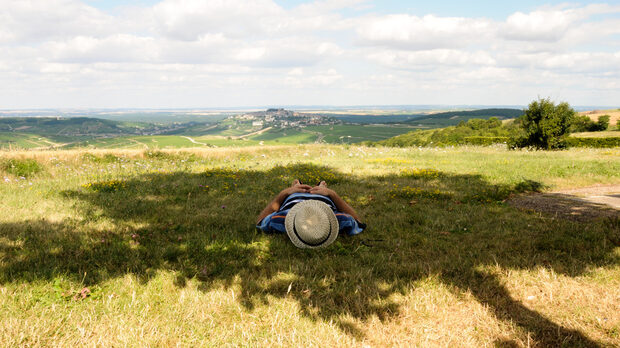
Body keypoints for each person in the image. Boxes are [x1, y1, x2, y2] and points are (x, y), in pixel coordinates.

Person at [256, 180, 366, 247]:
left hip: (294, 200)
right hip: (323, 201)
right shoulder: (340, 220)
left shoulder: (279, 219)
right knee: (321, 189)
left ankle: (296, 185)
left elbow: (261, 220)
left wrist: (285, 193)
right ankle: (321, 187)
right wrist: (332, 194)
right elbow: (357, 220)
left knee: (297, 187)